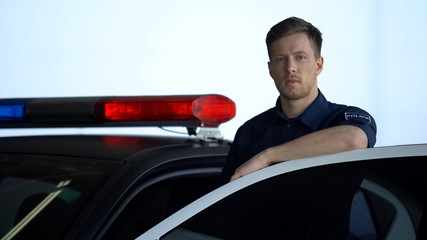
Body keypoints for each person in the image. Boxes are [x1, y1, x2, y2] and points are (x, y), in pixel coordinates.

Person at [220, 17, 377, 184]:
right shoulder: (249, 132)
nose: (290, 68)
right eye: (281, 59)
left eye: (300, 57)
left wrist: (267, 157)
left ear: (319, 65)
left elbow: (354, 140)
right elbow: (220, 204)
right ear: (270, 69)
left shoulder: (344, 118)